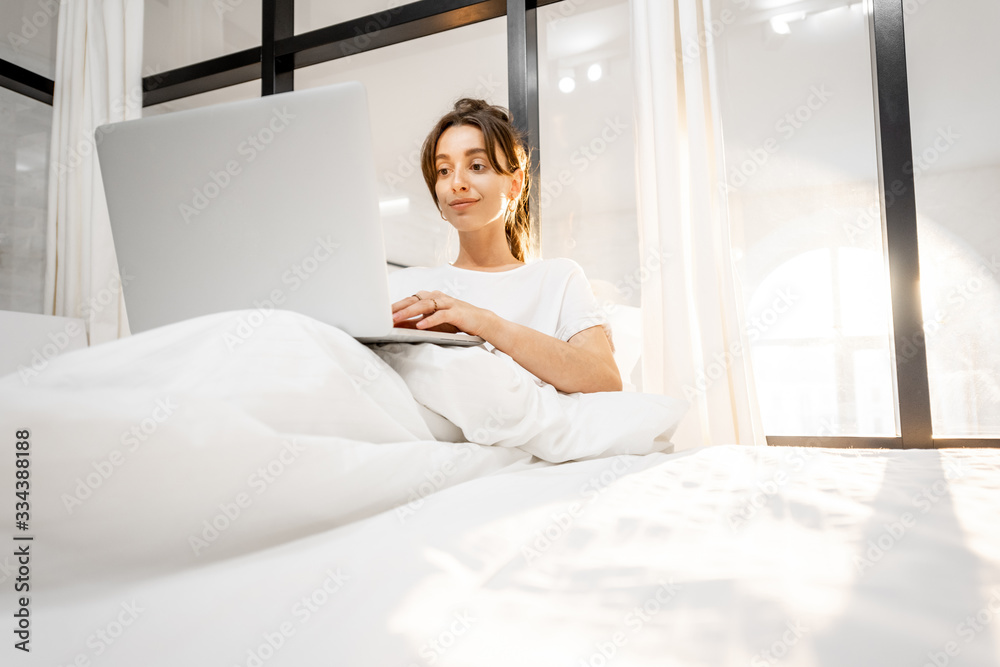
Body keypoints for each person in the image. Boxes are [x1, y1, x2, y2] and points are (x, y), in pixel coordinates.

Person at [387, 98, 622, 394]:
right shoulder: (404, 287)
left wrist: (484, 323)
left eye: (476, 165)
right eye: (443, 170)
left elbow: (604, 380)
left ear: (514, 185)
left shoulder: (557, 279)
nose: (456, 182)